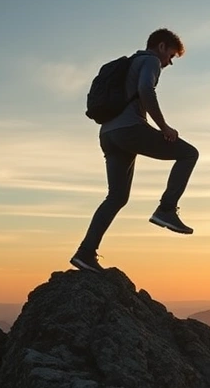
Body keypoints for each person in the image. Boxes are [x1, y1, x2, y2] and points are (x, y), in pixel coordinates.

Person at [70, 28, 198, 273]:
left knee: (116, 197)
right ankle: (166, 210)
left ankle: (85, 253)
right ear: (161, 47)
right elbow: (146, 90)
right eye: (170, 56)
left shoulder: (129, 63)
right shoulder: (150, 61)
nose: (169, 62)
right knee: (189, 153)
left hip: (108, 135)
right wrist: (164, 127)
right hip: (129, 131)